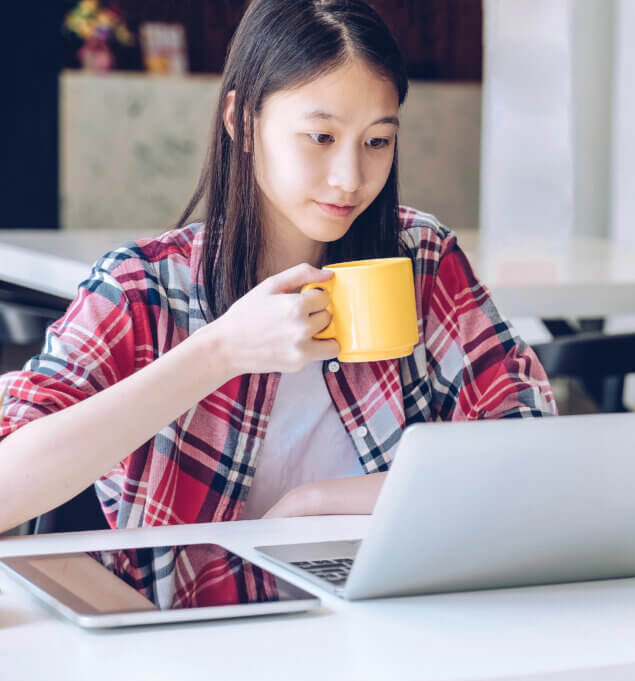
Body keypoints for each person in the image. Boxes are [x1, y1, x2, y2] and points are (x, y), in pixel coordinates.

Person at [0, 0, 555, 534]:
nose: (350, 176)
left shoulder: (423, 260)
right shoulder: (140, 289)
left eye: (378, 141)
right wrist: (221, 351)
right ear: (241, 121)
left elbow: (531, 452)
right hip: (194, 624)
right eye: (321, 137)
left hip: (390, 614)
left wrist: (317, 504)